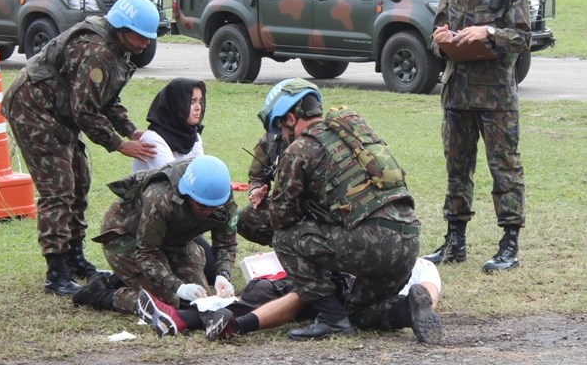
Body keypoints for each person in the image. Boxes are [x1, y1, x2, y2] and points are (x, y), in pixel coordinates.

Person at [257, 78, 440, 342]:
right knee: (357, 312)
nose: (283, 138)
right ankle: (409, 310)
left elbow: (281, 218)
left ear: (290, 118)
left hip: (370, 241)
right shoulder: (355, 137)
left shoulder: (299, 149)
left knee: (284, 239)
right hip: (408, 242)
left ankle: (331, 320)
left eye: (281, 129)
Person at [1, 0, 160, 296]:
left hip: (59, 112)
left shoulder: (118, 49)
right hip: (33, 110)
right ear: (123, 29)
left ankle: (74, 259)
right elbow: (85, 110)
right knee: (58, 189)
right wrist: (118, 144)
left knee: (80, 180)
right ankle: (56, 273)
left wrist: (131, 131)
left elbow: (108, 98)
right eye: (141, 37)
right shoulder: (95, 51)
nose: (145, 43)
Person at [423, 0, 532, 273]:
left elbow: (522, 39)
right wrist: (441, 39)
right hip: (457, 94)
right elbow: (438, 30)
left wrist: (487, 32)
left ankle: (509, 243)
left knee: (504, 169)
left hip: (496, 98)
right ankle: (455, 241)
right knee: (457, 169)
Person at [137, 256, 444, 344]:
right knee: (291, 292)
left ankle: (189, 320)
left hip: (350, 294)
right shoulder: (422, 266)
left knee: (293, 292)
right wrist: (418, 305)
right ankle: (185, 320)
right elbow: (429, 292)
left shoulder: (395, 255)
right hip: (375, 307)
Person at [72, 155, 238, 316]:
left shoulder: (221, 196)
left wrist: (223, 275)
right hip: (128, 237)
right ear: (187, 194)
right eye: (201, 207)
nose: (208, 212)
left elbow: (226, 244)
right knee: (167, 302)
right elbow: (147, 253)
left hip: (174, 239)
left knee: (200, 300)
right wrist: (178, 287)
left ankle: (130, 278)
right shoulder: (161, 197)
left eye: (213, 207)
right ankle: (99, 294)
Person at [130, 78, 217, 283]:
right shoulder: (153, 140)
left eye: (200, 101)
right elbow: (179, 184)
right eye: (191, 101)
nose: (198, 108)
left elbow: (202, 176)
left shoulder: (192, 136)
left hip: (178, 219)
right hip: (149, 221)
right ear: (176, 104)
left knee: (211, 272)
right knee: (164, 280)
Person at [236, 106, 289, 247]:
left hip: (311, 209)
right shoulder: (269, 140)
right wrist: (256, 190)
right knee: (243, 219)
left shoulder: (312, 140)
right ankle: (283, 248)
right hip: (284, 204)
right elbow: (257, 176)